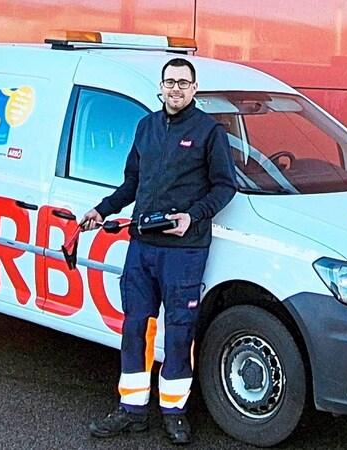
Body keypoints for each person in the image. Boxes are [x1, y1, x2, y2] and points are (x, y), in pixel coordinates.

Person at [83, 58, 237, 445]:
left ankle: (175, 412)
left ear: (195, 88)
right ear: (162, 86)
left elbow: (225, 186)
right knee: (136, 326)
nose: (175, 89)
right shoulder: (146, 126)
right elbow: (131, 183)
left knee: (180, 331)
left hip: (184, 250)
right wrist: (101, 210)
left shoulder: (209, 132)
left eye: (183, 83)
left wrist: (193, 216)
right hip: (142, 246)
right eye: (170, 82)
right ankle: (132, 409)